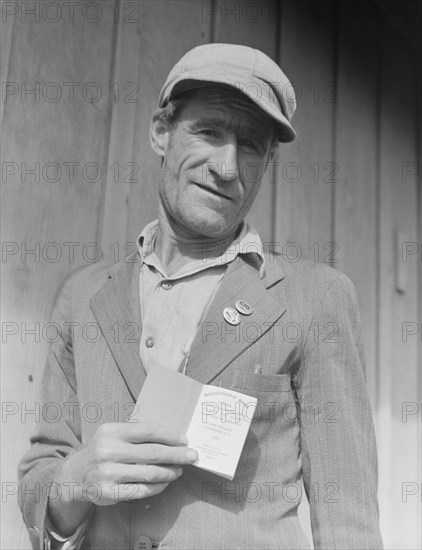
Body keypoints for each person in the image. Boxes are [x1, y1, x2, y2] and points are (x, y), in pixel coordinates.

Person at [18, 43, 383, 549]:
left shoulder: (315, 299)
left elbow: (349, 522)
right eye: (209, 131)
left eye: (251, 146)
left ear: (267, 161)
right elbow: (42, 476)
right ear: (161, 132)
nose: (227, 167)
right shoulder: (83, 296)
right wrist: (75, 478)